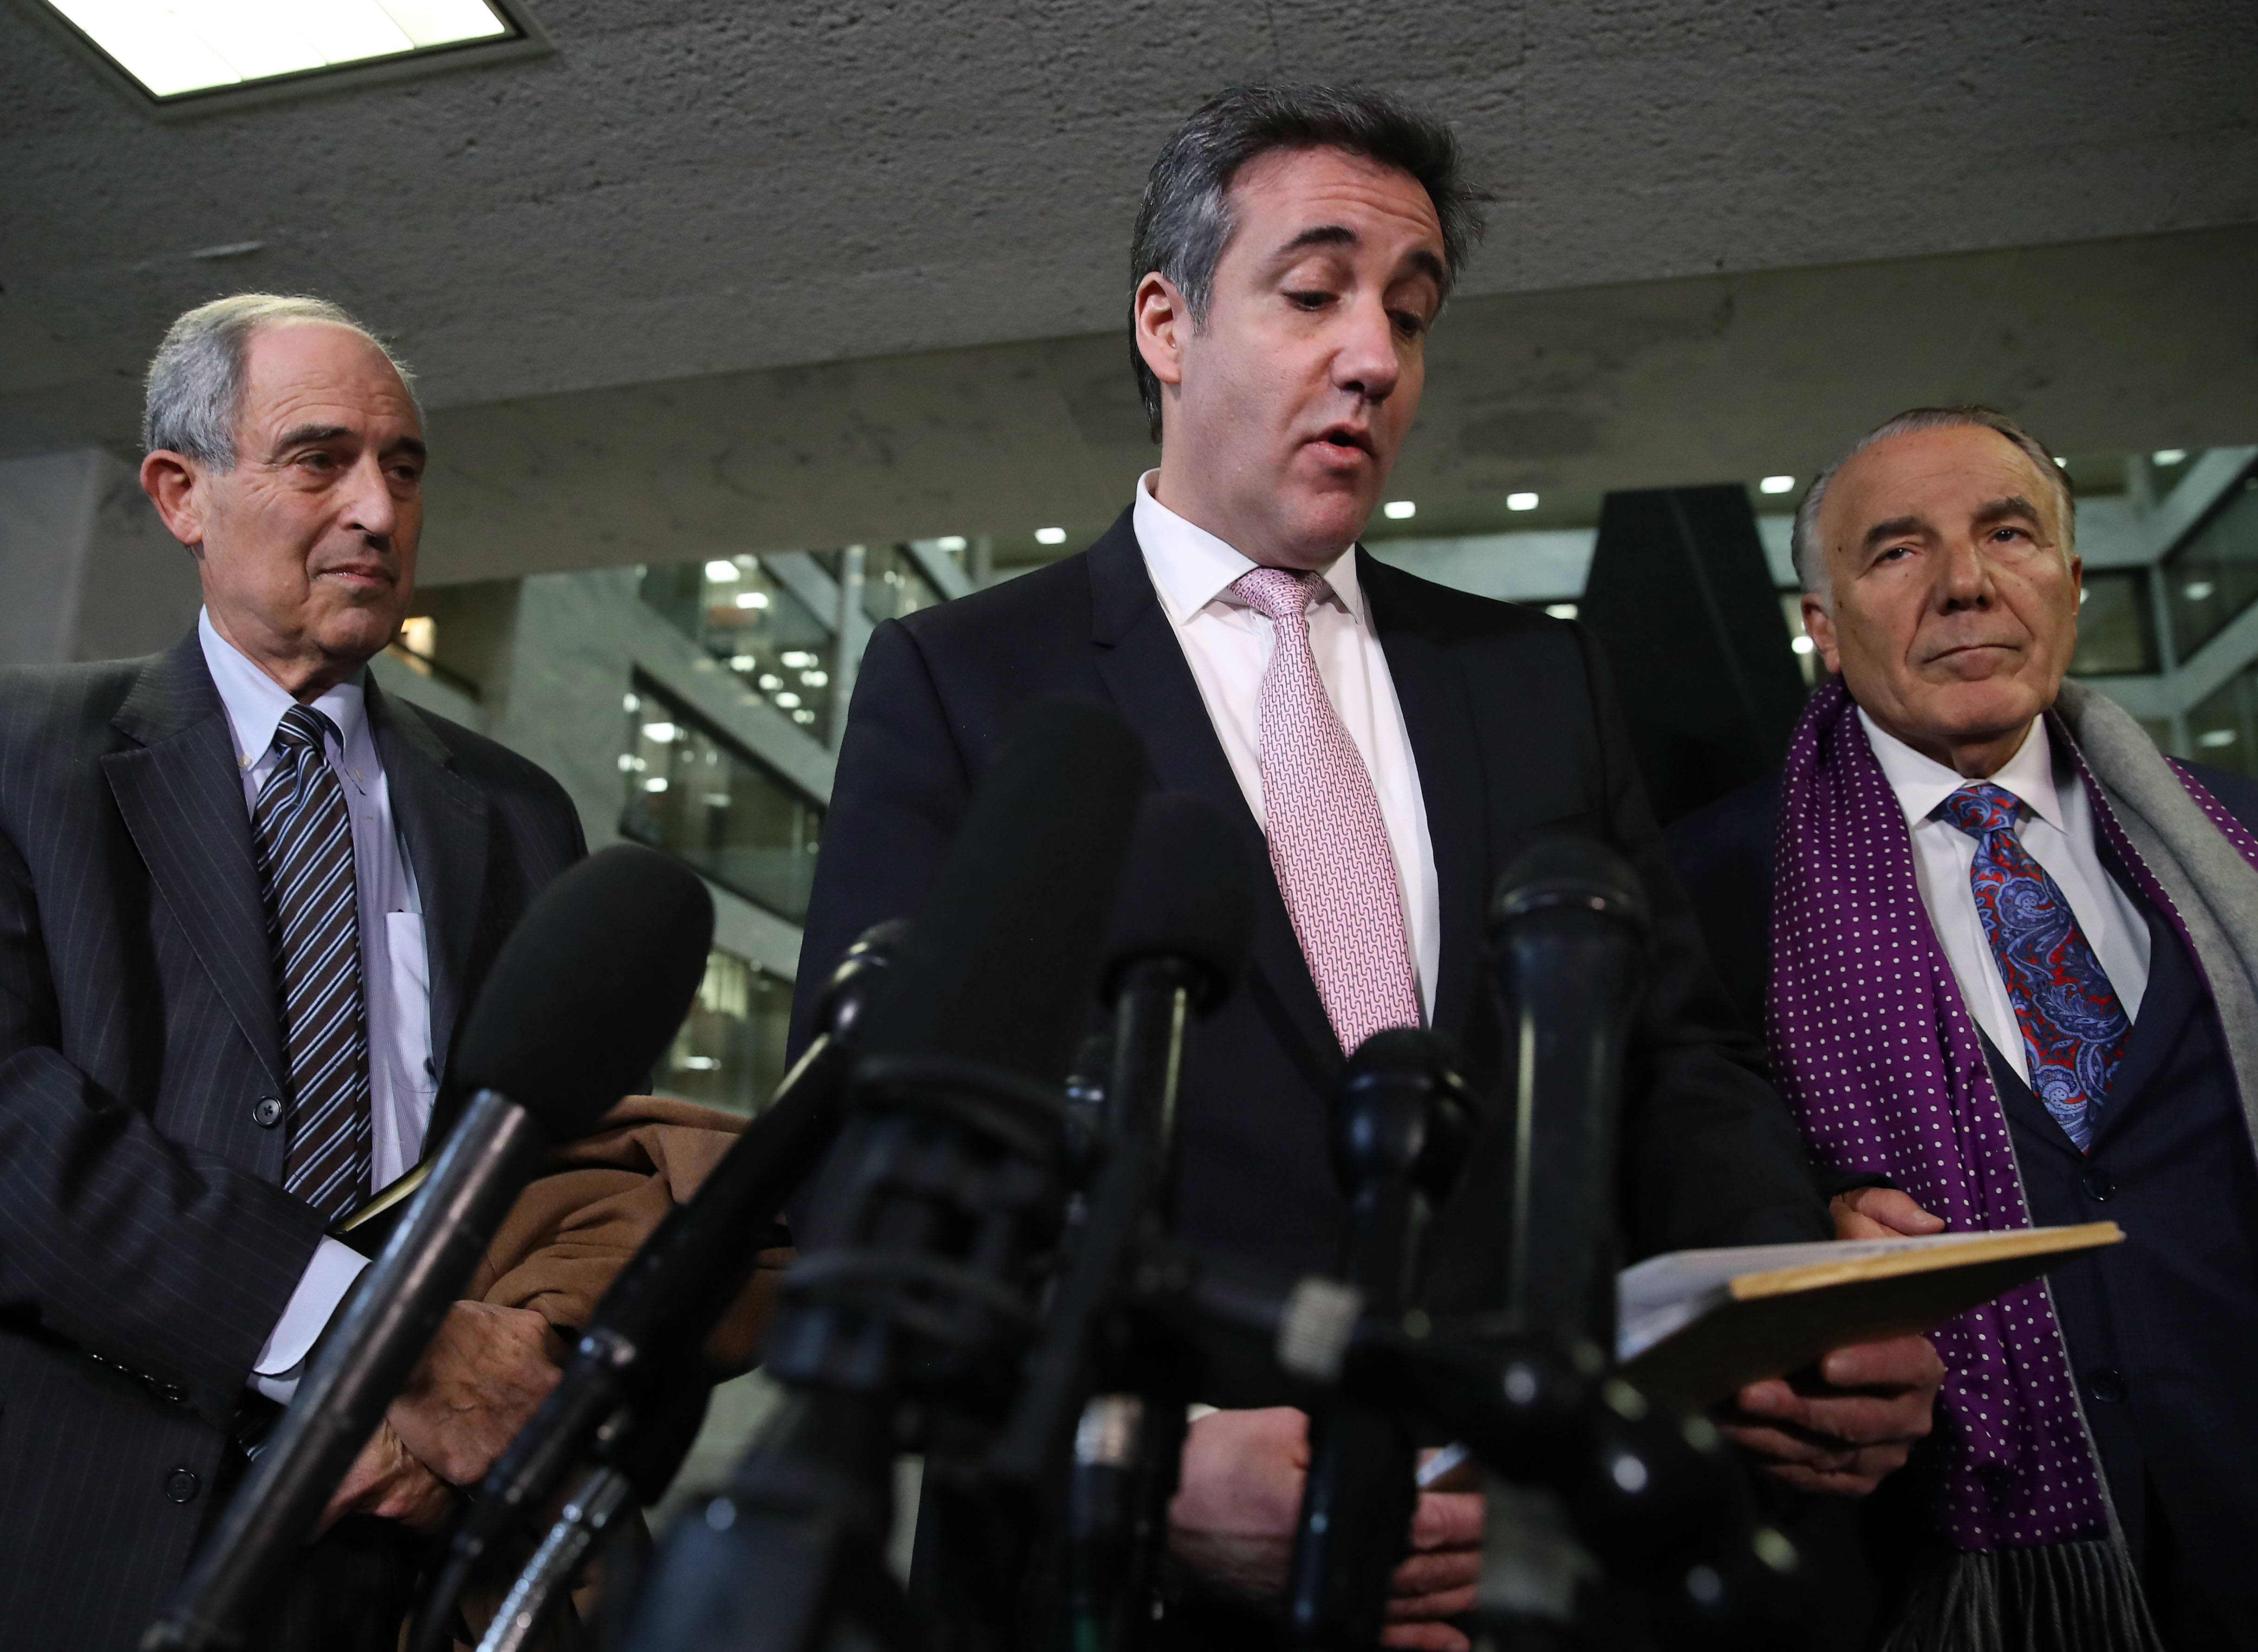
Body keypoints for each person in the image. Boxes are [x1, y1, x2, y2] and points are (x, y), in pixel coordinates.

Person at [793, 84, 1942, 1649]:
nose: (1377, 359)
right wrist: (1139, 1457)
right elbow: (872, 1165)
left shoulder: (1539, 683)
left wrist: (1774, 1309)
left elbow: (1679, 1063)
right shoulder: (965, 683)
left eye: (1409, 311)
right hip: (1131, 1585)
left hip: (1537, 1567)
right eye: (1313, 293)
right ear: (1167, 324)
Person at [0, 294, 586, 1651]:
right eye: (320, 460)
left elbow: (564, 1164)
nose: (378, 511)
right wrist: (374, 1347)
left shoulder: (519, 814)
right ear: (181, 494)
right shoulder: (24, 759)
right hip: (93, 1539)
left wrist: (463, 1414)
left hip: (422, 1559)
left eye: (405, 468)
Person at [1668, 407, 2258, 1651]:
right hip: (1929, 1579)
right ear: (1824, 628)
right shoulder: (1702, 890)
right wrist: (1800, 1225)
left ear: (2073, 583)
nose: (1966, 584)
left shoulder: (2238, 846)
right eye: (1897, 551)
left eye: (2009, 534)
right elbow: (1655, 1190)